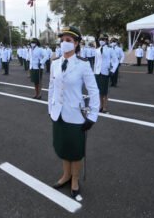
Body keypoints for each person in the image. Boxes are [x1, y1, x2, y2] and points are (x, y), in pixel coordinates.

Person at [48, 26, 99, 201]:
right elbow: (52, 88)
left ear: (76, 44)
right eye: (62, 40)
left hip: (75, 115)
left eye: (69, 40)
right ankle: (66, 175)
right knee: (63, 147)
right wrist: (50, 109)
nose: (64, 43)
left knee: (75, 151)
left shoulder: (83, 64)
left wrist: (92, 116)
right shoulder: (55, 62)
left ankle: (75, 179)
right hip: (58, 114)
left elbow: (94, 91)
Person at [94, 34, 118, 113]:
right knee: (99, 91)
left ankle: (104, 107)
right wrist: (94, 72)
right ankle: (100, 106)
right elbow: (96, 62)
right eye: (100, 39)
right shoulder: (97, 50)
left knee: (105, 91)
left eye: (103, 39)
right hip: (98, 72)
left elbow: (115, 61)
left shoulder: (110, 50)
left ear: (106, 40)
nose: (101, 41)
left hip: (105, 72)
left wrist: (112, 70)